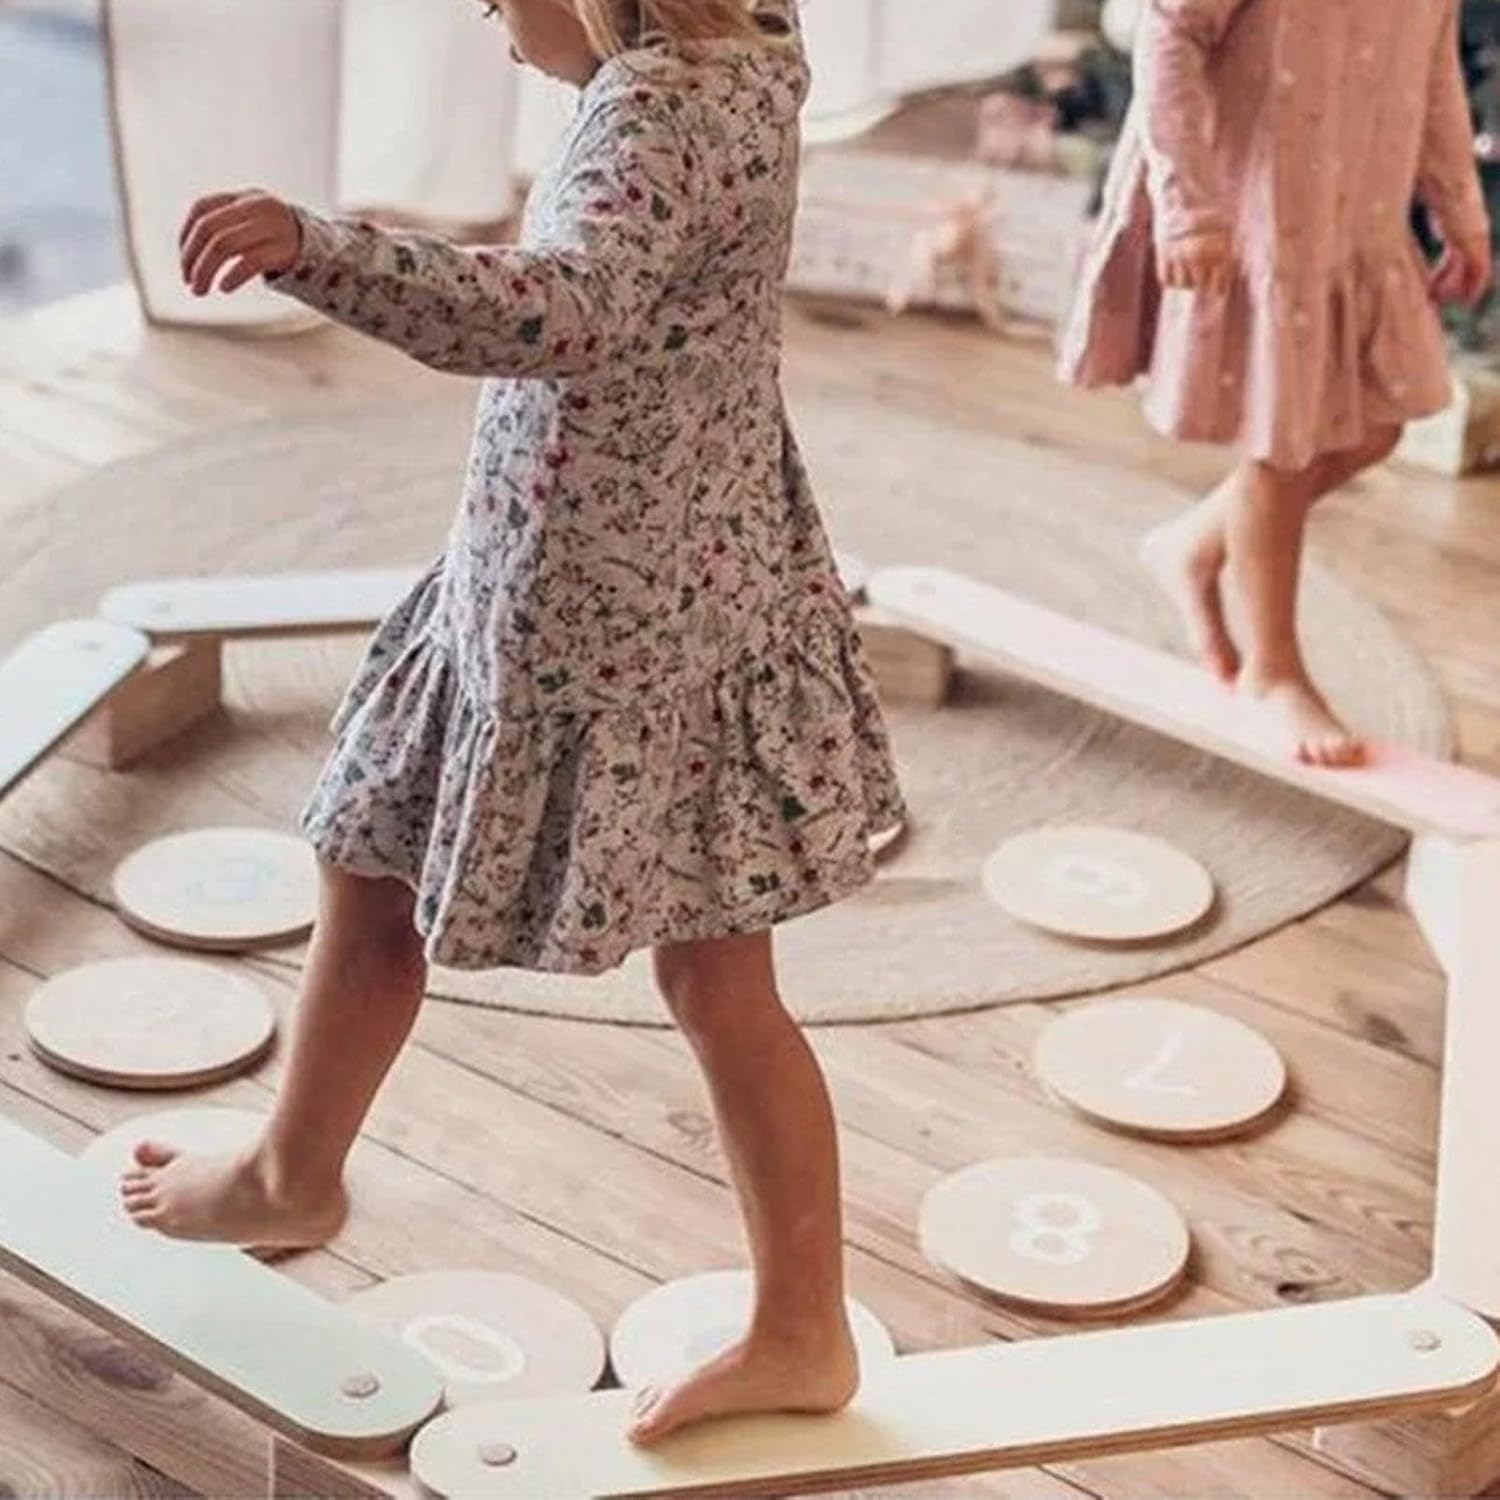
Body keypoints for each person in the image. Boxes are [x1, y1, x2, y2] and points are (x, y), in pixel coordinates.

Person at [118, 0, 904, 1446]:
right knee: (700, 972)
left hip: (589, 608)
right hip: (695, 566)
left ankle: (299, 1174)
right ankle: (797, 1323)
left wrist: (320, 249)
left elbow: (555, 309)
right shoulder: (754, 45)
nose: (485, 17)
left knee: (377, 856)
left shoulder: (655, 112)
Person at [1062, 0, 1492, 765]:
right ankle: (1272, 670)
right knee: (1284, 449)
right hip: (1257, 208)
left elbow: (1433, 68)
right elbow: (1168, 33)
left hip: (1357, 215)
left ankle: (1196, 542)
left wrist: (1459, 207)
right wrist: (1189, 208)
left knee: (1378, 425)